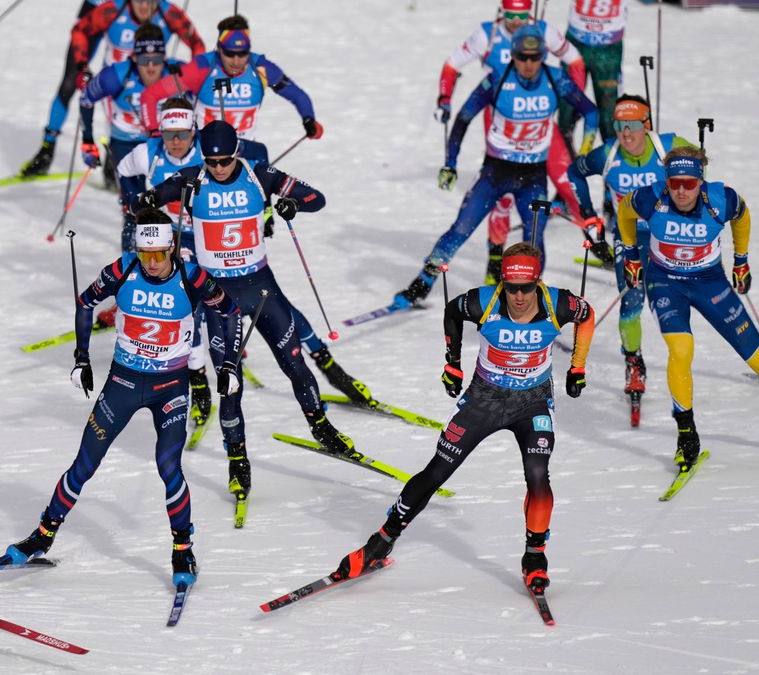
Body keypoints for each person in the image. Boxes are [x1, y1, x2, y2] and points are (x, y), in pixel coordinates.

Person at [3, 209, 242, 591]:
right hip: (123, 383)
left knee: (168, 467)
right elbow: (86, 302)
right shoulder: (123, 268)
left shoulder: (192, 276)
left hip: (170, 388)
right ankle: (43, 535)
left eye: (159, 254)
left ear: (172, 248)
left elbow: (231, 312)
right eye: (145, 253)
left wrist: (228, 365)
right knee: (84, 464)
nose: (152, 263)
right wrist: (82, 358)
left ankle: (183, 550)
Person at [337, 243, 594, 591]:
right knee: (436, 472)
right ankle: (380, 542)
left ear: (538, 282)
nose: (519, 297)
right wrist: (453, 364)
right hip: (484, 399)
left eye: (526, 288)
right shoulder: (483, 301)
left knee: (537, 475)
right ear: (502, 282)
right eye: (511, 288)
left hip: (532, 402)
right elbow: (451, 312)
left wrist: (577, 366)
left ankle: (535, 558)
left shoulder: (559, 304)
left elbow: (587, 315)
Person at [131, 120, 353, 510]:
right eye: (212, 161)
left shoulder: (259, 174)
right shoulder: (191, 179)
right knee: (229, 385)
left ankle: (320, 426)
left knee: (295, 365)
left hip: (262, 288)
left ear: (237, 152)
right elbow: (143, 204)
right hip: (219, 297)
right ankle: (237, 461)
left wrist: (293, 205)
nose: (218, 168)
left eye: (225, 161)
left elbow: (316, 198)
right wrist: (145, 202)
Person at [396, 24, 597, 308]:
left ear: (543, 55)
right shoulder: (497, 79)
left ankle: (528, 298)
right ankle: (422, 283)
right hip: (495, 172)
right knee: (461, 228)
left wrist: (584, 153)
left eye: (535, 57)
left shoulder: (556, 79)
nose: (528, 64)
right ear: (512, 55)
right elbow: (464, 118)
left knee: (533, 241)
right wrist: (450, 164)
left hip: (533, 177)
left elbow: (591, 111)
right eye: (522, 57)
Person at [617, 147, 757, 471]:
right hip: (666, 282)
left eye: (689, 183)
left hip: (710, 281)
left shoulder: (721, 199)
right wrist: (631, 255)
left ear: (700, 181)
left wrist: (741, 260)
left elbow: (742, 215)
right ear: (666, 181)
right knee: (681, 350)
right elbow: (624, 212)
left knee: (755, 356)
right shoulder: (650, 198)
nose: (681, 191)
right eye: (675, 183)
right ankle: (686, 432)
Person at [435, 0, 587, 283]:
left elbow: (576, 61)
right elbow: (451, 64)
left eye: (522, 15)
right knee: (501, 198)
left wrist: (570, 102)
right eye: (511, 14)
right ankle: (496, 259)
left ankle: (597, 242)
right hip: (500, 118)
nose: (516, 21)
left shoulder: (543, 31)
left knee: (567, 181)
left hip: (539, 119)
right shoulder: (487, 34)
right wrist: (444, 98)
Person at [566, 95, 694, 403]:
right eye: (619, 125)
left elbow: (699, 169)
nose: (626, 133)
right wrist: (589, 214)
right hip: (629, 235)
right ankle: (633, 362)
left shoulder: (668, 147)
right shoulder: (607, 155)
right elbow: (574, 172)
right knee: (631, 299)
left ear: (646, 125)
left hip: (669, 232)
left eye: (633, 125)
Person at [20, 0, 203, 177]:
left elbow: (197, 44)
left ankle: (122, 164)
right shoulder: (112, 9)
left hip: (150, 79)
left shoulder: (169, 13)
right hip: (115, 81)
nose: (144, 6)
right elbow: (79, 30)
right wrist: (82, 66)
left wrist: (194, 76)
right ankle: (47, 149)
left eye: (150, 1)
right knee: (69, 83)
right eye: (139, 1)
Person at [139, 14, 321, 144]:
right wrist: (153, 131)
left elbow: (298, 96)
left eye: (242, 53)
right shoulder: (200, 68)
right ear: (219, 49)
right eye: (229, 53)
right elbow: (150, 95)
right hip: (205, 155)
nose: (236, 61)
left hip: (246, 152)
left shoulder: (261, 68)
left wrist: (309, 119)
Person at [78, 21, 183, 189]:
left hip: (167, 142)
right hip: (126, 140)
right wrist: (88, 141)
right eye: (144, 60)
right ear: (134, 57)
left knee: (173, 195)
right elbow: (86, 100)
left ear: (164, 57)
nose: (150, 67)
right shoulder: (114, 75)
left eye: (156, 59)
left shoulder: (179, 73)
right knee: (134, 200)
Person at [556, 0, 628, 148]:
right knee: (567, 107)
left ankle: (612, 156)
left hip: (608, 48)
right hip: (577, 42)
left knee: (609, 113)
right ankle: (564, 156)